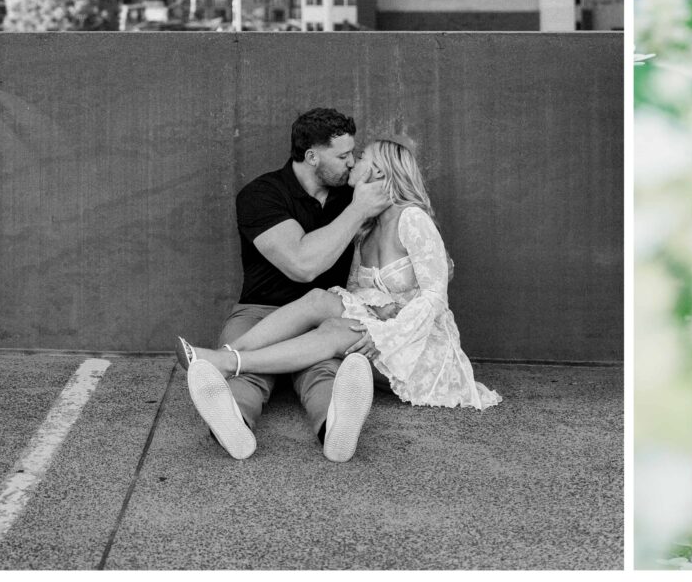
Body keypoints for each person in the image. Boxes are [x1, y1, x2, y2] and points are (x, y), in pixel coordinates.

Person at [186, 131, 500, 414]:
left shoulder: (412, 219)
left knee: (335, 332)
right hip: (382, 325)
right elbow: (355, 291)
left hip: (414, 345)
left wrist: (384, 337)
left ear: (377, 171)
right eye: (348, 156)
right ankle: (229, 355)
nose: (352, 163)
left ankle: (229, 362)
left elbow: (434, 299)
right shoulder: (366, 227)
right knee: (319, 300)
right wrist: (379, 309)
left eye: (360, 156)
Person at [180, 108, 389, 462]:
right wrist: (357, 212)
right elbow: (302, 266)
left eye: (353, 154)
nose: (351, 163)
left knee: (324, 373)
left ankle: (335, 428)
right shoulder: (262, 195)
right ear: (311, 156)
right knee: (244, 370)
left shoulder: (349, 194)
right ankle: (234, 426)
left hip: (324, 317)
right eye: (342, 156)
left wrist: (379, 322)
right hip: (261, 311)